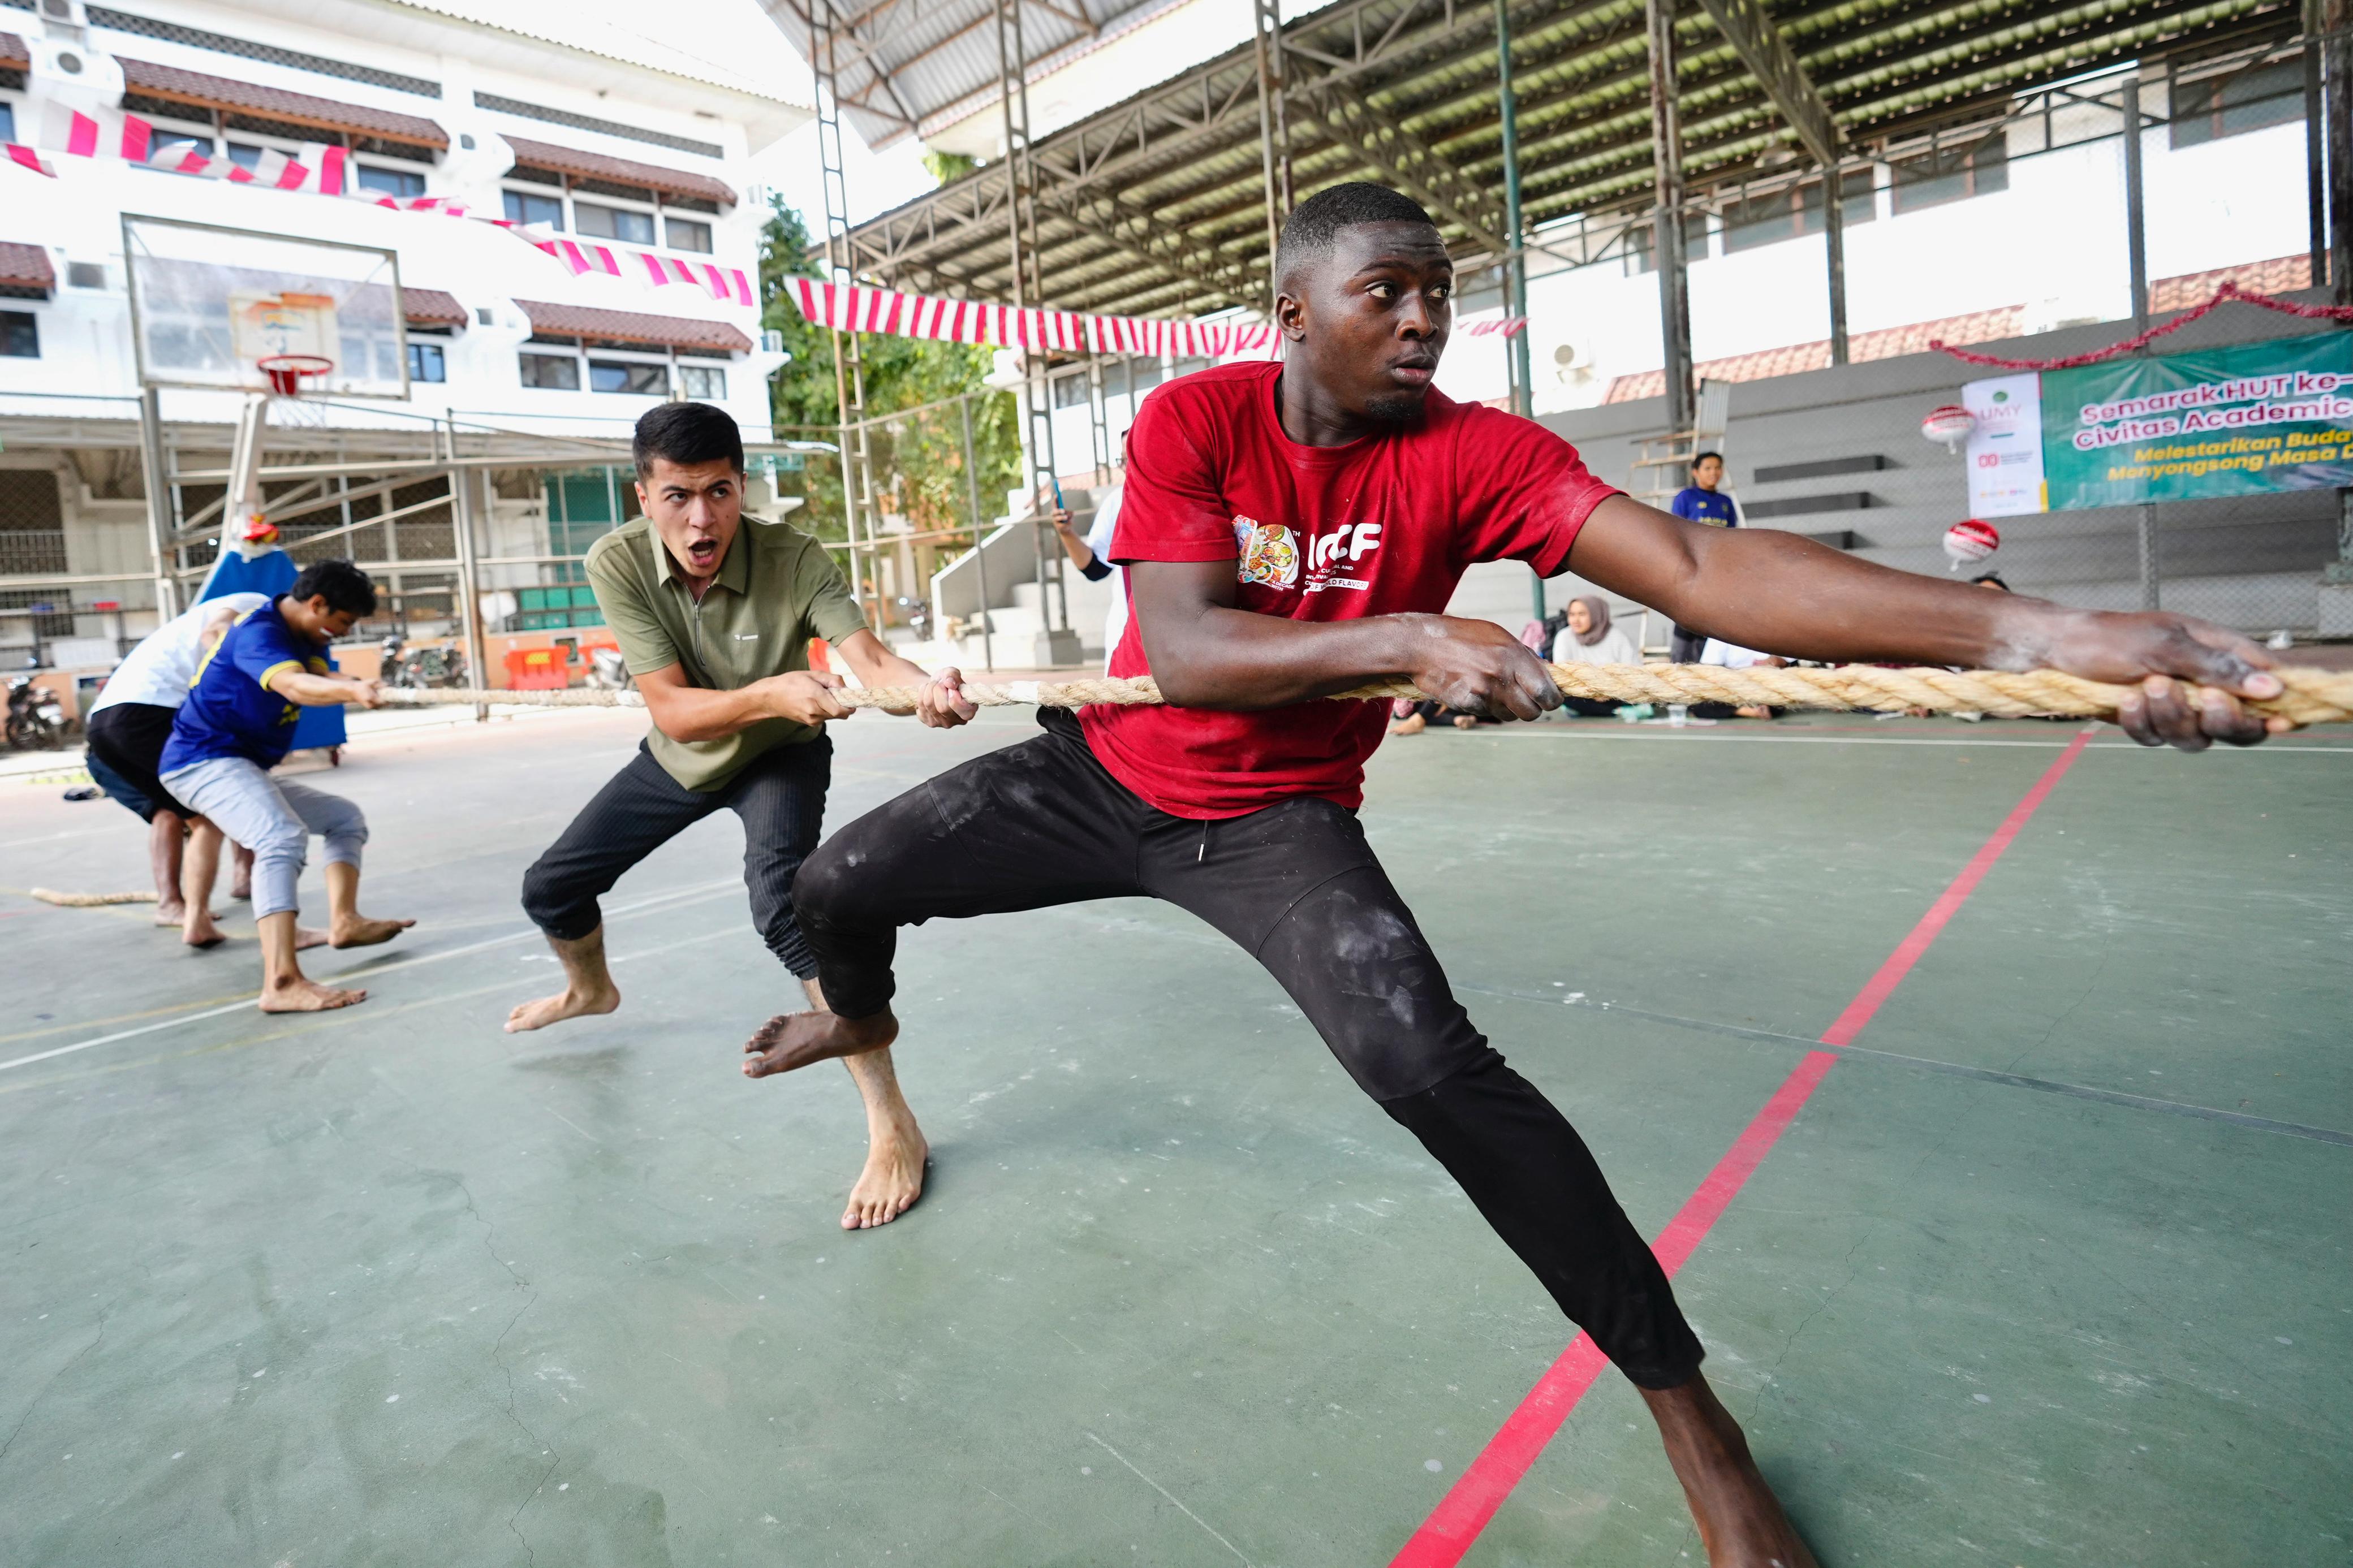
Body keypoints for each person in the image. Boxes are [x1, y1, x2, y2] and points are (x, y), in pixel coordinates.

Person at [740, 184, 2284, 1566]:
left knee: (1430, 1064)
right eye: (1385, 291)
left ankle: (1697, 1423)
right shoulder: (1196, 421)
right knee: (831, 883)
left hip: (1279, 825)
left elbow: (1703, 574)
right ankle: (854, 1020)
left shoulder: (1479, 454)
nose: (1422, 317)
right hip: (1107, 775)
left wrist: (2062, 635)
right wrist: (1412, 635)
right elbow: (1196, 648)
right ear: (1295, 311)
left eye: (1438, 292)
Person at [507, 402, 973, 1233]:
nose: (702, 516)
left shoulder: (792, 556)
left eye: (720, 491)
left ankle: (891, 1121)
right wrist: (767, 691)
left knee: (788, 908)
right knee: (551, 887)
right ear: (643, 495)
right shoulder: (615, 560)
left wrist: (922, 690)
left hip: (780, 755)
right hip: (685, 752)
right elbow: (677, 713)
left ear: (741, 487)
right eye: (680, 495)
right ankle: (591, 988)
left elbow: (867, 659)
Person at [157, 560, 413, 1012]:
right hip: (201, 762)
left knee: (343, 818)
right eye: (343, 622)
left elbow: (320, 675)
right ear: (318, 604)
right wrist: (353, 694)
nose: (342, 632)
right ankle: (281, 980)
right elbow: (295, 686)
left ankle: (345, 921)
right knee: (279, 836)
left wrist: (355, 683)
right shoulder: (261, 632)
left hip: (240, 765)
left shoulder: (304, 635)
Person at [84, 592, 264, 944]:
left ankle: (200, 896)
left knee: (173, 811)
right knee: (216, 807)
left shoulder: (188, 626)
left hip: (108, 729)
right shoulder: (257, 602)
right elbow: (216, 632)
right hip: (145, 718)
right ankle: (188, 908)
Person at [1048, 466, 1130, 668]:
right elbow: (1095, 569)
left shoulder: (1183, 497)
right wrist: (1066, 533)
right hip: (1126, 631)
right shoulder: (1116, 502)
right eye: (1123, 459)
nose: (1128, 465)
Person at [1668, 452, 1737, 663]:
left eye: (1718, 468)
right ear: (1696, 472)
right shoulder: (1685, 498)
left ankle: (1710, 669)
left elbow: (1733, 537)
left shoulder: (1726, 502)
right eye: (1708, 468)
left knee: (1714, 620)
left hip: (1718, 572)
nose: (1714, 473)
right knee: (1688, 617)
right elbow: (1676, 532)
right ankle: (1680, 669)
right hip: (1693, 570)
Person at [1553, 594, 1644, 716]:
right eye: (1572, 614)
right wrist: (1592, 691)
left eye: (1582, 614)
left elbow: (1634, 671)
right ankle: (1615, 713)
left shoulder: (1617, 637)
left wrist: (1609, 691)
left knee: (1637, 694)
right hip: (1582, 694)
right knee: (1565, 698)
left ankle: (1605, 711)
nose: (1576, 620)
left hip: (1614, 694)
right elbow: (1561, 674)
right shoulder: (1564, 637)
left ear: (1596, 614)